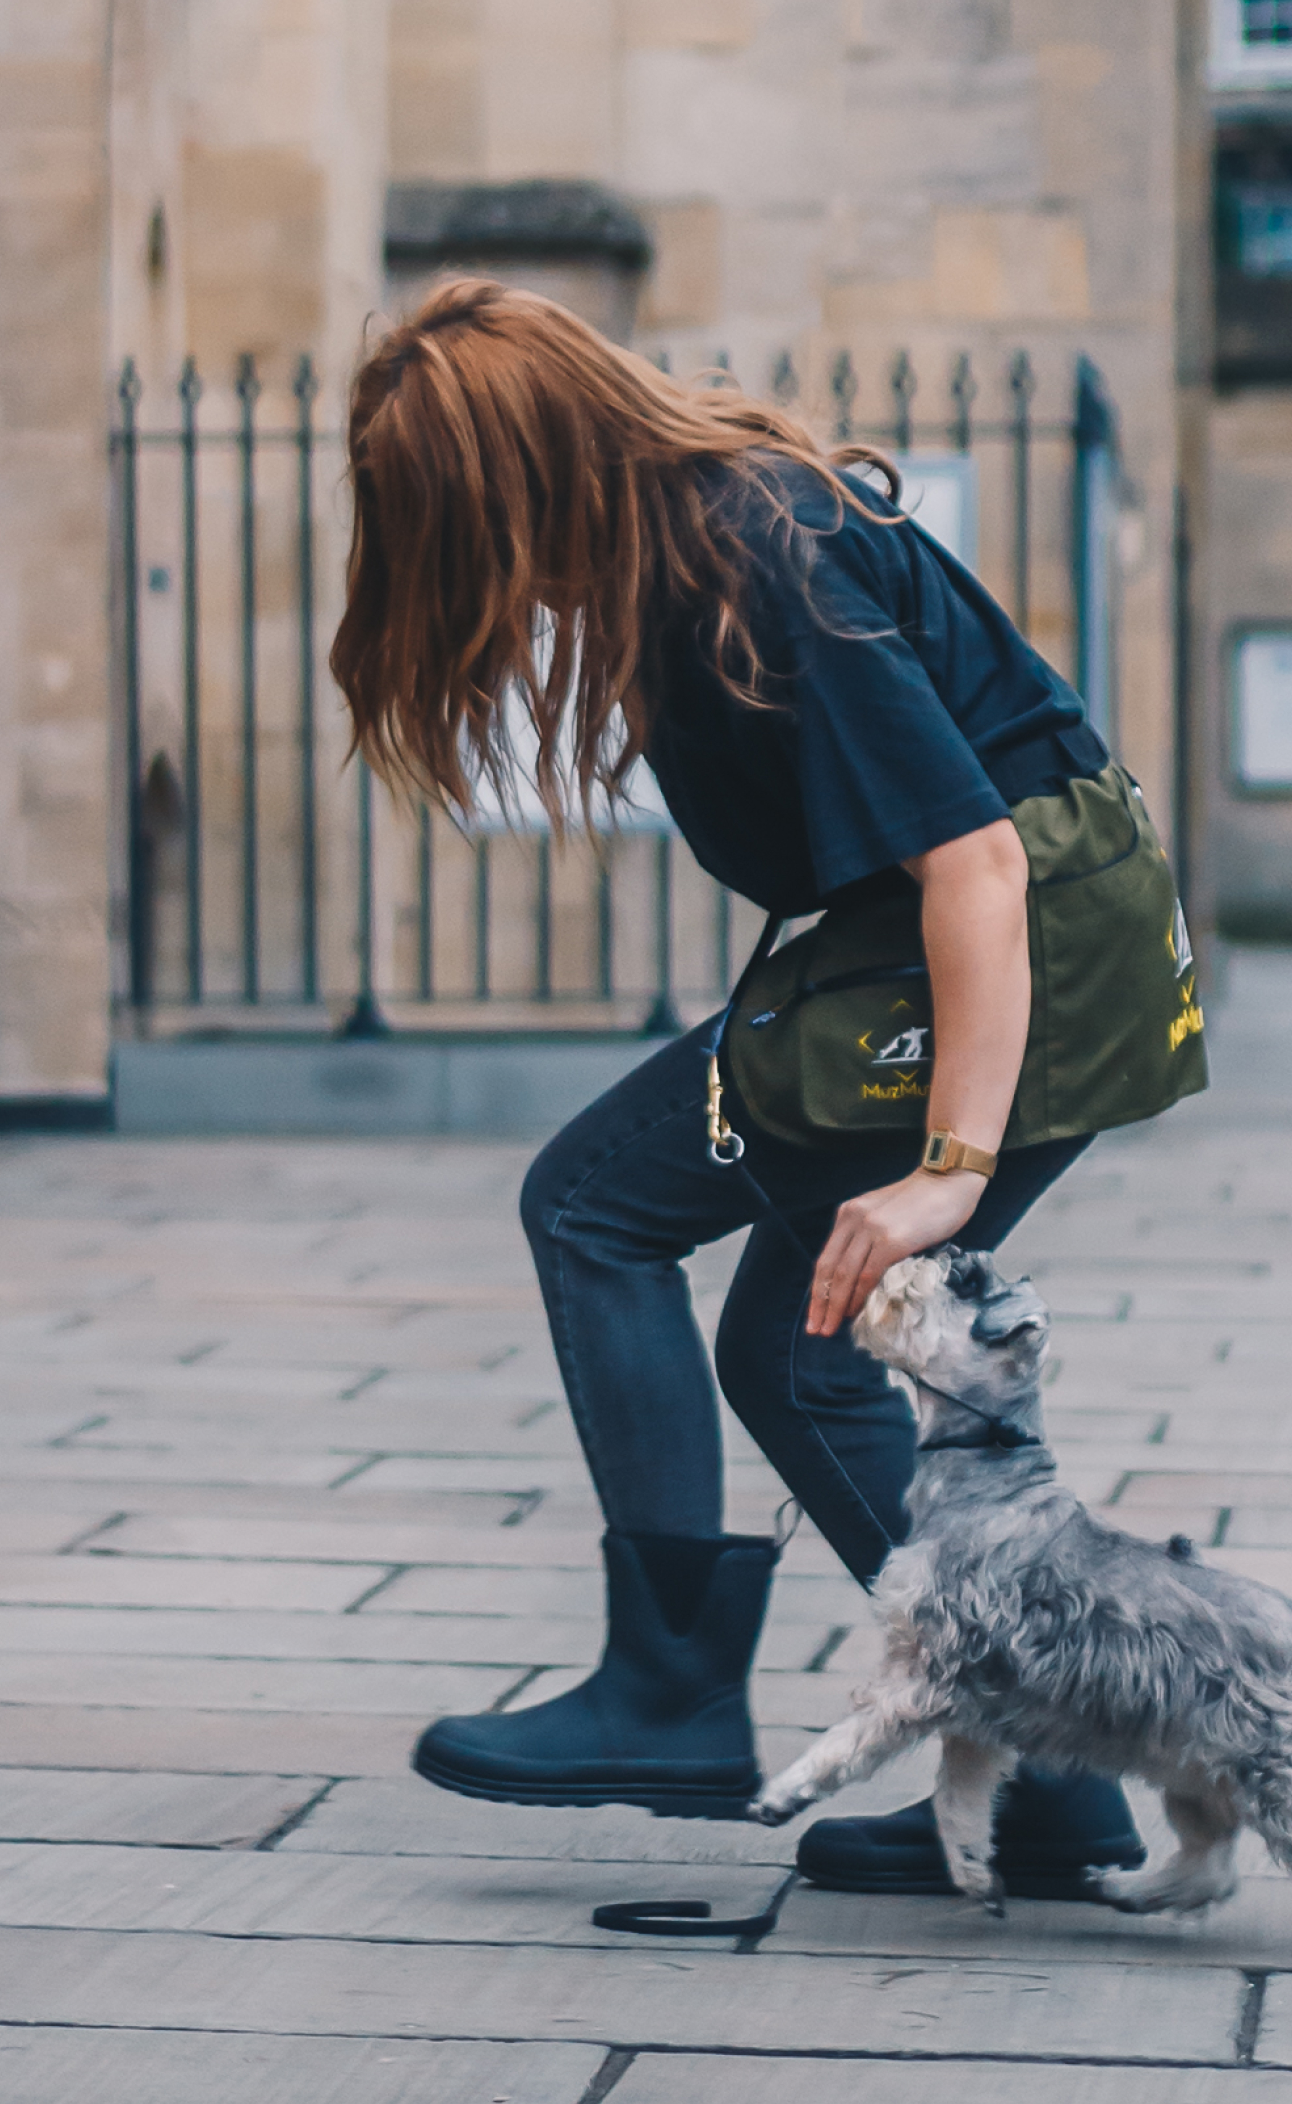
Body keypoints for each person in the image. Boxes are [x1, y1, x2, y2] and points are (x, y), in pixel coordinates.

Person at [328, 278, 1144, 1899]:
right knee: (789, 1350)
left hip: (1017, 953)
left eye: (440, 523)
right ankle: (1053, 1783)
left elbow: (978, 861)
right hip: (999, 957)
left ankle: (671, 1691)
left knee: (594, 1206)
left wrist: (950, 1166)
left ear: (511, 479)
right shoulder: (688, 547)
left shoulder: (755, 545)